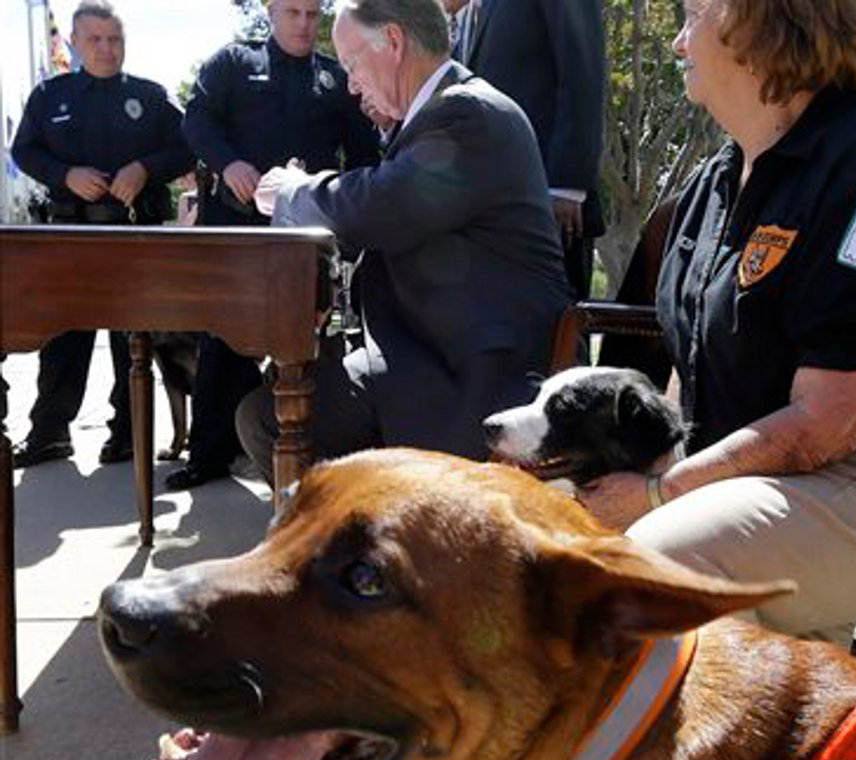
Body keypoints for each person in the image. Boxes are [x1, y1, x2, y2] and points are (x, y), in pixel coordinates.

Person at [577, 0, 856, 646]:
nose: (676, 44)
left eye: (694, 15)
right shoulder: (711, 185)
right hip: (748, 484)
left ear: (759, 25)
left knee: (654, 565)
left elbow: (842, 414)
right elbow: (690, 375)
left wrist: (659, 493)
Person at [242, 0, 572, 485]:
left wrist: (293, 190)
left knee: (276, 421)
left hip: (479, 376)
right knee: (269, 410)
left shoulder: (469, 113)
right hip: (429, 354)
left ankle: (381, 547)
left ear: (393, 42)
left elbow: (379, 206)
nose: (351, 83)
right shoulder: (441, 114)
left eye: (352, 64)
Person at [167, 0, 381, 491]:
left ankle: (310, 447)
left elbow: (364, 156)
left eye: (311, 14)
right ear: (270, 10)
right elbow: (196, 122)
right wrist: (228, 163)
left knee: (310, 342)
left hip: (303, 239)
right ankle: (209, 455)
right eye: (293, 13)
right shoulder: (233, 63)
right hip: (236, 231)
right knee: (220, 344)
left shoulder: (335, 78)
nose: (304, 24)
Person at [10, 0, 192, 468]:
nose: (107, 49)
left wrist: (145, 168)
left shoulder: (151, 97)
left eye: (115, 40)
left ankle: (129, 436)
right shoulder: (50, 96)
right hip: (70, 234)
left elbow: (188, 147)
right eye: (95, 40)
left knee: (130, 342)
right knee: (62, 337)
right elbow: (24, 151)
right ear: (73, 42)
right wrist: (64, 173)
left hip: (135, 236)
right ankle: (49, 434)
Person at [453, 0, 606, 300]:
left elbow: (582, 68)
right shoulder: (470, 12)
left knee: (555, 335)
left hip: (550, 207)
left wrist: (566, 186)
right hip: (489, 216)